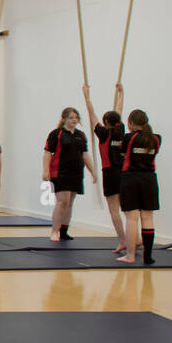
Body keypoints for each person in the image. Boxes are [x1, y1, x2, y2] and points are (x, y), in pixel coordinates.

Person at [83, 83, 128, 252]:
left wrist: (86, 95)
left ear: (106, 122)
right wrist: (122, 93)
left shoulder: (103, 134)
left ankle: (123, 240)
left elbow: (91, 114)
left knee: (114, 210)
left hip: (110, 173)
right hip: (123, 172)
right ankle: (135, 238)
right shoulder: (120, 130)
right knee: (127, 209)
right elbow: (119, 110)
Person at [42, 106, 95, 242]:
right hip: (60, 172)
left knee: (70, 202)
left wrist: (93, 171)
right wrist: (45, 170)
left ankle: (64, 231)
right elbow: (48, 153)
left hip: (76, 173)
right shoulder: (56, 134)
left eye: (76, 118)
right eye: (71, 117)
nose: (74, 120)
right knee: (62, 201)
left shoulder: (81, 135)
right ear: (64, 119)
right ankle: (54, 231)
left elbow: (85, 155)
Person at [116, 109, 160, 265]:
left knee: (132, 218)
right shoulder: (156, 139)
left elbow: (123, 154)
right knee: (148, 217)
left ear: (131, 123)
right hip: (149, 180)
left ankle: (130, 255)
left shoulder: (129, 138)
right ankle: (148, 256)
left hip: (131, 179)